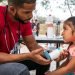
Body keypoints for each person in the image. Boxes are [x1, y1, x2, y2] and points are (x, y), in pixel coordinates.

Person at [0, 0, 50, 75]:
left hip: (5, 59)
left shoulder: (23, 20)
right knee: (20, 70)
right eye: (27, 12)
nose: (31, 16)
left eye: (32, 11)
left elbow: (33, 46)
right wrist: (27, 56)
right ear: (12, 9)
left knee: (45, 60)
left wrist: (52, 55)